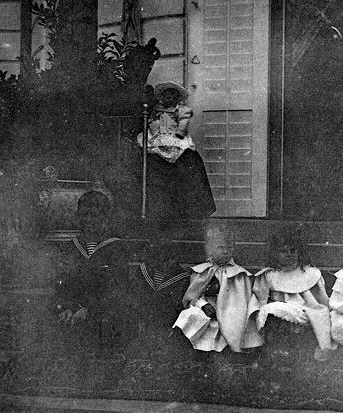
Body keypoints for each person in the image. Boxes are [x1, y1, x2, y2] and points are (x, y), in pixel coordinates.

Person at [53, 190, 144, 351]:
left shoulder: (115, 248)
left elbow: (116, 291)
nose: (88, 220)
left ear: (105, 218)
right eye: (84, 215)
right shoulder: (70, 248)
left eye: (93, 215)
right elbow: (63, 285)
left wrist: (88, 310)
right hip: (74, 318)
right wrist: (67, 307)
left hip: (105, 320)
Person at [173, 223, 263, 352]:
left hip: (230, 311)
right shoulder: (203, 271)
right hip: (207, 311)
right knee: (191, 317)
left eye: (229, 247)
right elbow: (193, 295)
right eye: (221, 247)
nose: (225, 251)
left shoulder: (240, 274)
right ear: (209, 249)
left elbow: (242, 298)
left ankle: (230, 347)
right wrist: (203, 305)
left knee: (232, 323)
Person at [251, 226, 334, 362]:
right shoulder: (270, 275)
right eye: (283, 251)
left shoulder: (310, 273)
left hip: (308, 311)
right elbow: (260, 299)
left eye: (293, 250)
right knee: (272, 311)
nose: (289, 254)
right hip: (280, 313)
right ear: (275, 253)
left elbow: (322, 300)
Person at [138, 82, 215, 219]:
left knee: (188, 156)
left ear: (178, 99)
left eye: (174, 97)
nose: (170, 100)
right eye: (167, 97)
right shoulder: (157, 109)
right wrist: (156, 128)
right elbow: (152, 122)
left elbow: (183, 124)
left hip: (175, 136)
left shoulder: (181, 110)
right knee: (152, 150)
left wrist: (177, 134)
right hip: (159, 136)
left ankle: (191, 211)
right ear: (162, 98)